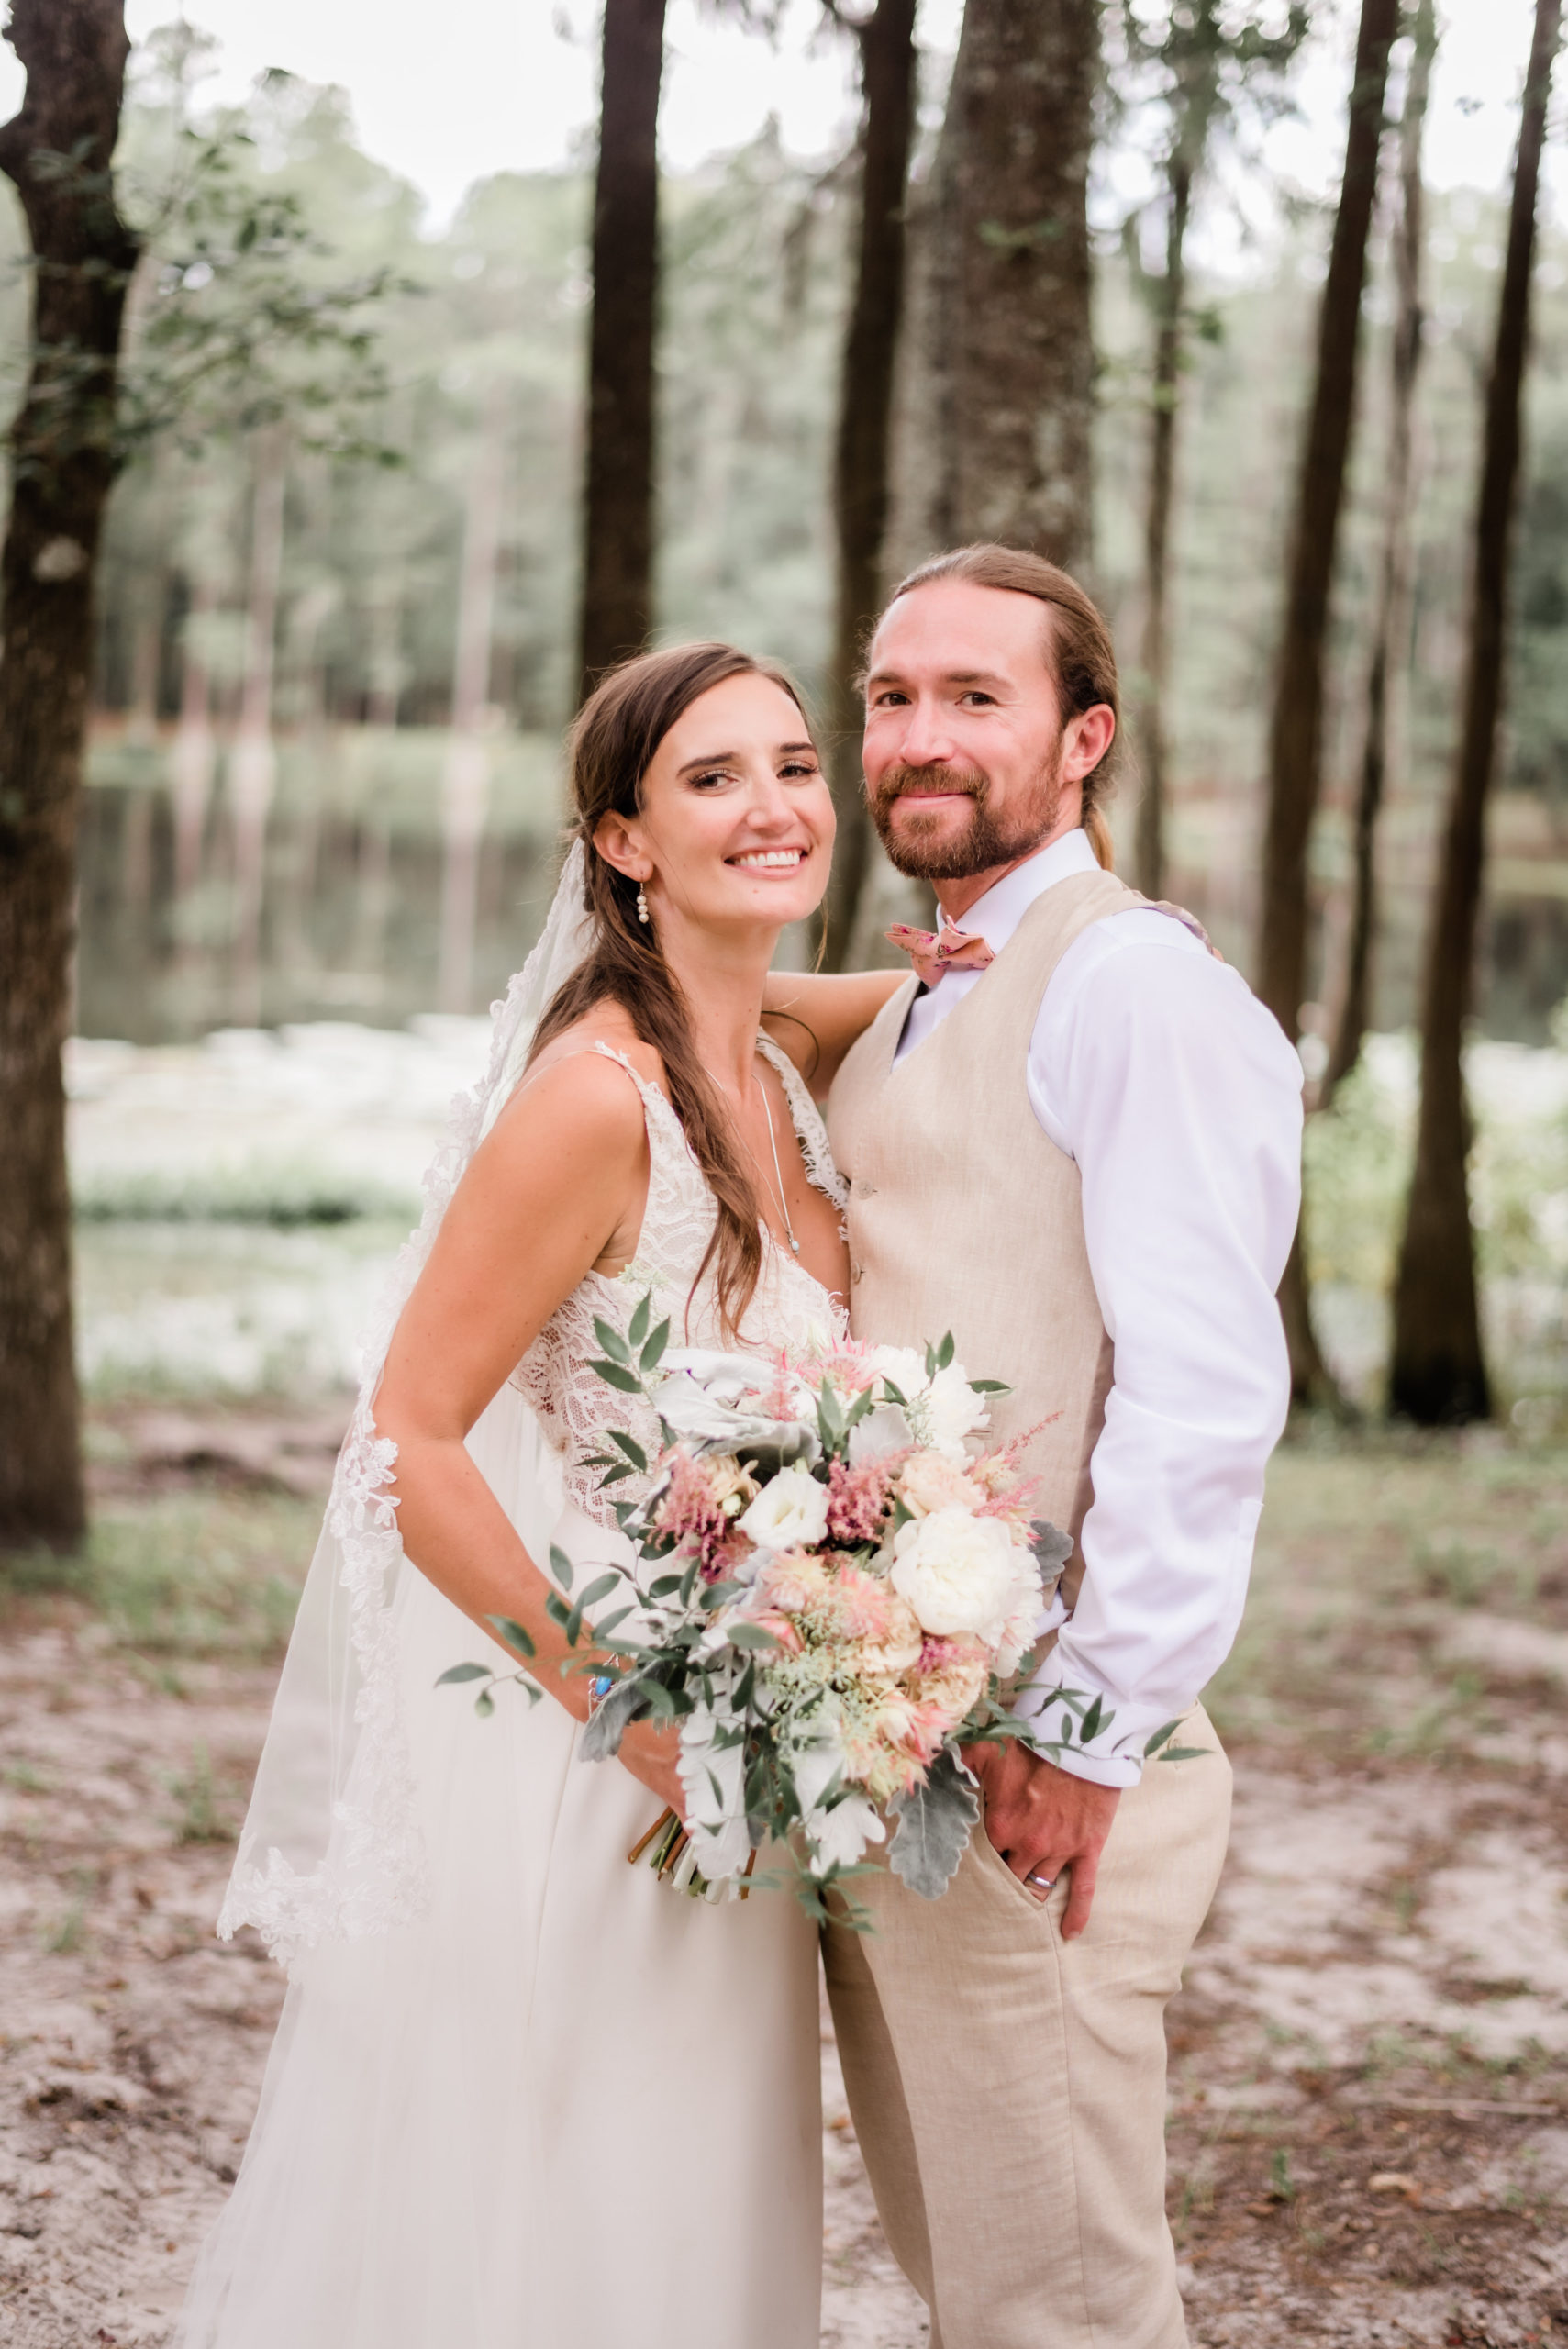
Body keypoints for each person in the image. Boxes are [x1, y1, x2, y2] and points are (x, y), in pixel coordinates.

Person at [176, 641, 875, 2349]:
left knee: (705, 2187)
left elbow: (952, 994)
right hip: (610, 1739)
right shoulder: (592, 1101)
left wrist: (1053, 958)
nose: (776, 806)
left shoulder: (769, 1058)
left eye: (794, 763)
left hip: (757, 1730)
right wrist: (622, 1707)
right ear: (621, 844)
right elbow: (401, 1440)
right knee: (580, 2185)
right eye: (711, 780)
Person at [763, 542, 1304, 2349]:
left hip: (1038, 1772)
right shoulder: (936, 979)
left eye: (972, 696)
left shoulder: (1130, 984)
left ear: (1085, 738)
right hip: (906, 1731)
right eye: (890, 695)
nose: (915, 736)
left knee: (1063, 2303)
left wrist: (1089, 1727)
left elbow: (1207, 1380)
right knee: (981, 2279)